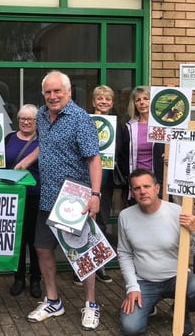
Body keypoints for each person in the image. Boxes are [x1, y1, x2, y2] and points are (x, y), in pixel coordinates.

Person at [16, 70, 103, 331]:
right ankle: (53, 300)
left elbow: (94, 158)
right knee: (42, 248)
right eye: (48, 92)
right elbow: (45, 144)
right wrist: (25, 162)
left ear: (68, 92)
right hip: (48, 195)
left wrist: (95, 195)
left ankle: (91, 304)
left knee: (82, 254)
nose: (52, 96)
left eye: (57, 91)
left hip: (75, 198)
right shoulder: (42, 114)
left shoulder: (80, 119)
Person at [117, 168, 195, 336]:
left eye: (147, 186)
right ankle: (149, 305)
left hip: (176, 278)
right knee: (131, 328)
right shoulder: (125, 216)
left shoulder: (177, 212)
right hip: (144, 282)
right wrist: (132, 287)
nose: (143, 191)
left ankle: (180, 311)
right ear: (132, 192)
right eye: (137, 188)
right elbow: (124, 254)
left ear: (157, 188)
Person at [74, 85, 129, 285]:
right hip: (84, 179)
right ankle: (80, 267)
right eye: (100, 98)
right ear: (93, 101)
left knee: (102, 223)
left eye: (107, 99)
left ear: (112, 103)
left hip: (105, 182)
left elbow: (123, 152)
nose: (103, 102)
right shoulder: (83, 122)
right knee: (81, 224)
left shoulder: (119, 126)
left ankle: (98, 266)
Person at [5, 104, 42, 298]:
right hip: (13, 196)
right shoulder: (9, 139)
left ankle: (36, 279)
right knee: (16, 240)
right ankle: (18, 278)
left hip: (36, 196)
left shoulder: (43, 141)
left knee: (35, 241)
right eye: (23, 119)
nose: (26, 122)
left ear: (37, 122)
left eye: (31, 119)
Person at [125, 86, 165, 203]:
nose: (142, 103)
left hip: (157, 179)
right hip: (136, 180)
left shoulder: (163, 125)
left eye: (146, 99)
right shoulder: (128, 127)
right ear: (134, 104)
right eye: (138, 100)